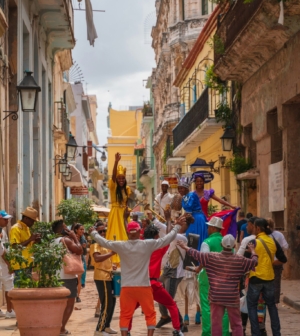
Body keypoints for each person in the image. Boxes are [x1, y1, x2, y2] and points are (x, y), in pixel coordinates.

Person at [89, 216, 185, 336]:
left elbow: (104, 242)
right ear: (140, 231)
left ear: (128, 232)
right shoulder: (147, 244)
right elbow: (166, 239)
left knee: (125, 314)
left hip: (127, 287)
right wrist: (177, 227)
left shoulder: (121, 245)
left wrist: (93, 233)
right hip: (144, 286)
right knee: (150, 314)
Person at [178, 234, 258, 336]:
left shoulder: (212, 257)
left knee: (216, 324)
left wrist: (184, 246)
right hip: (232, 297)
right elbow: (254, 262)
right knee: (236, 325)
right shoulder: (240, 260)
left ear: (221, 244)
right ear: (234, 246)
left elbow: (196, 254)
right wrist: (253, 251)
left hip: (216, 296)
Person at [128, 214, 185, 336]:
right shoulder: (158, 247)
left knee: (130, 310)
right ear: (155, 236)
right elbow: (170, 236)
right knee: (171, 305)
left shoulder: (139, 245)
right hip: (153, 284)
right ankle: (177, 330)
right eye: (158, 235)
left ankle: (126, 331)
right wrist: (169, 219)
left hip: (140, 284)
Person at [150, 211, 188, 331]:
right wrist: (155, 220)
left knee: (168, 300)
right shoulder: (175, 234)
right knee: (160, 295)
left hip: (175, 273)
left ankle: (181, 324)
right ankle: (165, 316)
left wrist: (163, 220)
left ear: (185, 226)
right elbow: (167, 232)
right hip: (167, 270)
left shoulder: (183, 238)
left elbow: (169, 234)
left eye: (182, 223)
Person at [247, 218, 281, 336]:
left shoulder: (254, 242)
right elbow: (282, 258)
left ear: (258, 228)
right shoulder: (272, 241)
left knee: (252, 306)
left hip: (256, 277)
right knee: (272, 306)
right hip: (270, 277)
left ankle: (256, 333)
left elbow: (247, 258)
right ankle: (277, 333)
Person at [197, 217, 230, 336]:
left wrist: (198, 269)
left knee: (207, 307)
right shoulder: (227, 242)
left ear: (212, 228)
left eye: (209, 227)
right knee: (224, 308)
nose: (207, 229)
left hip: (208, 279)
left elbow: (204, 260)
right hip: (225, 279)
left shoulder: (207, 242)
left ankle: (208, 332)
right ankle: (224, 333)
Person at [52, 220, 83, 336]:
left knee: (59, 305)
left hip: (56, 276)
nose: (69, 230)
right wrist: (74, 237)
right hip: (67, 276)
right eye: (66, 228)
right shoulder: (66, 240)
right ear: (62, 230)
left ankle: (57, 327)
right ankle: (61, 329)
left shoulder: (52, 241)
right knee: (69, 304)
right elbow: (80, 250)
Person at [92, 222, 117, 335]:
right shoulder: (95, 244)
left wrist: (112, 265)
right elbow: (97, 258)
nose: (102, 233)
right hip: (101, 276)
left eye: (104, 231)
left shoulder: (106, 244)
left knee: (112, 301)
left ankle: (106, 326)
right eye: (100, 231)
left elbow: (106, 260)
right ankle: (99, 329)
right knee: (106, 303)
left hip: (108, 275)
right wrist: (111, 254)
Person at [106, 152, 131, 264]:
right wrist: (116, 162)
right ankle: (115, 258)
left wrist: (127, 212)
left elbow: (127, 202)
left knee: (127, 234)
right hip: (116, 213)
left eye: (123, 178)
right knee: (116, 235)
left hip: (124, 214)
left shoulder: (127, 189)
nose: (121, 180)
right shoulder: (113, 186)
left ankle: (127, 256)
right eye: (119, 178)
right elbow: (113, 176)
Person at [9, 207, 40, 283]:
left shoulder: (27, 228)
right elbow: (15, 247)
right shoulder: (15, 229)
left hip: (27, 264)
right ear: (26, 218)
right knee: (19, 290)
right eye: (32, 221)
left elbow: (28, 246)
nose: (33, 223)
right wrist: (30, 239)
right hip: (20, 265)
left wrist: (36, 241)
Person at [177, 174, 207, 250]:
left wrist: (179, 221)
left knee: (193, 239)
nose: (180, 190)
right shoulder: (185, 196)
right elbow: (187, 212)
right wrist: (179, 219)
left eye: (181, 188)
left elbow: (188, 213)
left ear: (186, 188)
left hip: (196, 219)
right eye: (179, 188)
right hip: (191, 218)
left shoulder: (191, 195)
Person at [266, 218, 288, 305]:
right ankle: (275, 302)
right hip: (277, 261)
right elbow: (286, 246)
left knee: (266, 281)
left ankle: (266, 300)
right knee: (276, 282)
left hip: (267, 261)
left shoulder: (264, 235)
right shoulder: (279, 234)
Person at [0, 210, 15, 318]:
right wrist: (9, 263)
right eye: (5, 219)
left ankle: (10, 310)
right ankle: (9, 311)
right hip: (3, 263)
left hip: (3, 263)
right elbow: (1, 251)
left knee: (8, 285)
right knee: (8, 285)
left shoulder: (3, 231)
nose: (7, 221)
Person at [73, 223, 87, 303]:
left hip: (80, 260)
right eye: (81, 229)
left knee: (79, 279)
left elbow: (84, 253)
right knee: (73, 279)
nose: (82, 231)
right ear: (76, 230)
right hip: (73, 260)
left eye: (83, 229)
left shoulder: (83, 238)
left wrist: (83, 248)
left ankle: (78, 296)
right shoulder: (72, 238)